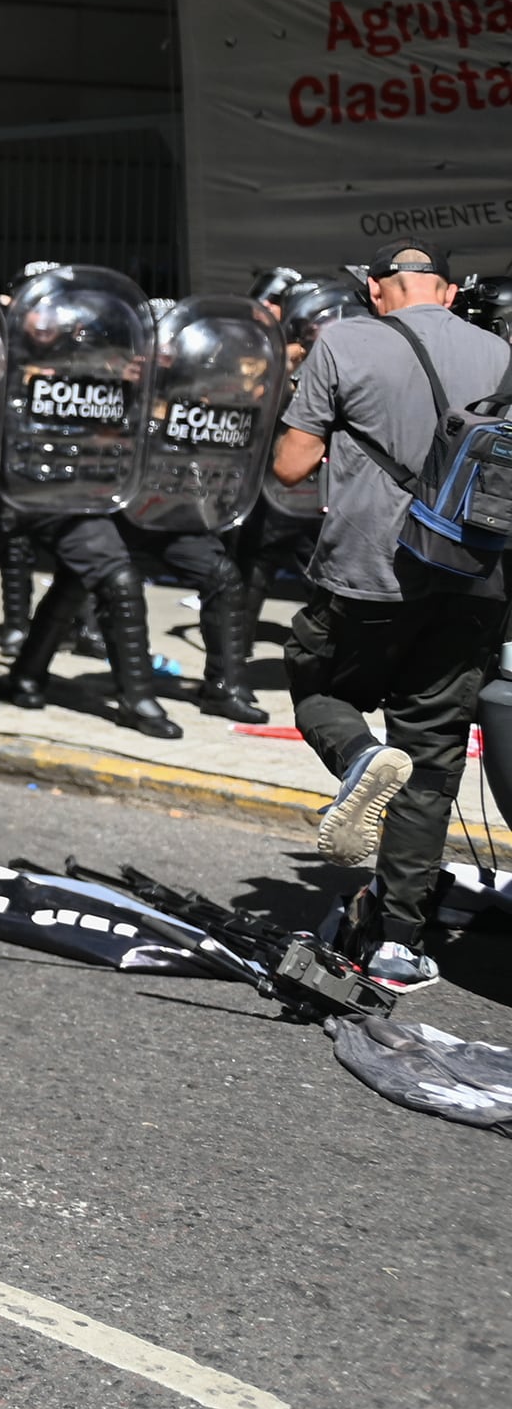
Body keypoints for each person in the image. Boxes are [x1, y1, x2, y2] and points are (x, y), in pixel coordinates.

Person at [270, 240, 512, 990]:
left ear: (380, 288)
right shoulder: (501, 352)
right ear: (444, 290)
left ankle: (355, 756)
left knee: (316, 678)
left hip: (369, 572)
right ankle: (398, 942)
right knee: (433, 755)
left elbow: (290, 464)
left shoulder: (343, 340)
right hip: (477, 581)